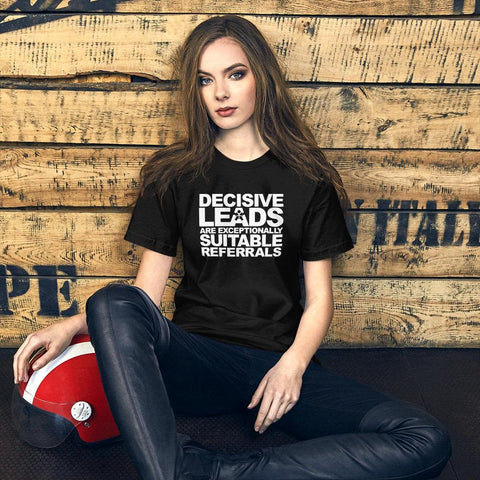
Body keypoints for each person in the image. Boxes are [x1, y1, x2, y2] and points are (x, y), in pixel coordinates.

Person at [13, 15, 451, 480]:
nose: (220, 93)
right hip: (195, 359)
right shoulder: (173, 175)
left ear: (261, 77)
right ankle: (172, 471)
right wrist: (76, 325)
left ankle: (219, 471)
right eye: (206, 80)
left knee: (424, 438)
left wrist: (292, 367)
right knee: (111, 299)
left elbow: (320, 299)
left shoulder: (308, 179)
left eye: (235, 74)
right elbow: (142, 298)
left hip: (276, 363)